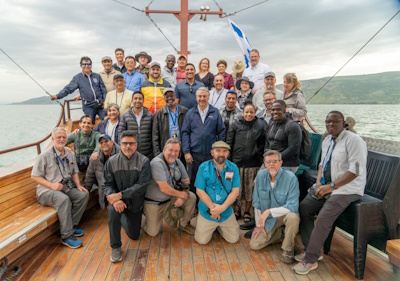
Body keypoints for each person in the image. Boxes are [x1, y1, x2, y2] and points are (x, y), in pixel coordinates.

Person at [292, 111, 367, 275]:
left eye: (335, 121)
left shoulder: (354, 141)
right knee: (304, 208)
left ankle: (310, 260)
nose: (331, 124)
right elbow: (321, 164)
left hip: (347, 189)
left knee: (323, 219)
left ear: (343, 123)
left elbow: (355, 171)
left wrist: (331, 187)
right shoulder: (327, 140)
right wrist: (318, 182)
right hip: (326, 186)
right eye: (328, 122)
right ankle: (314, 251)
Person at [31, 127, 89, 249]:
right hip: (46, 191)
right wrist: (51, 185)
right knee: (64, 200)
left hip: (64, 188)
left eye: (64, 137)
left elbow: (74, 173)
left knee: (83, 195)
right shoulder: (44, 156)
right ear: (53, 139)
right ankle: (67, 236)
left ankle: (71, 226)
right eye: (59, 137)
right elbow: (34, 176)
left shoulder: (70, 153)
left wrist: (78, 186)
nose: (62, 139)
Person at [102, 130, 151, 263]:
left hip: (135, 202)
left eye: (131, 143)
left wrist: (120, 195)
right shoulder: (111, 162)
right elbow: (106, 184)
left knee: (134, 235)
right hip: (116, 201)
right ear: (120, 144)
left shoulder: (144, 161)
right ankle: (116, 247)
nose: (127, 146)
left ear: (136, 144)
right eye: (124, 143)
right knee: (112, 213)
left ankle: (123, 216)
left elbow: (142, 185)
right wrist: (115, 198)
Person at [250, 150, 300, 264]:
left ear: (281, 162)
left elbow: (293, 205)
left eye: (275, 161)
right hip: (268, 219)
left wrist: (269, 211)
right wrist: (259, 225)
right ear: (264, 163)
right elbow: (257, 203)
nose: (271, 164)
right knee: (254, 245)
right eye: (268, 162)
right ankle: (279, 234)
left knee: (293, 217)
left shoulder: (291, 178)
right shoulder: (260, 176)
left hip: (285, 214)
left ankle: (288, 249)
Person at [143, 138, 196, 236]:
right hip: (155, 202)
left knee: (191, 197)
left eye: (176, 151)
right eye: (170, 150)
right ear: (164, 150)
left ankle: (183, 224)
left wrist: (184, 194)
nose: (173, 153)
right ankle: (142, 218)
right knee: (153, 233)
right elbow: (164, 188)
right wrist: (181, 194)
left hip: (170, 198)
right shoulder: (157, 163)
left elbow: (186, 181)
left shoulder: (177, 162)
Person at [194, 141, 240, 245]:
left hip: (225, 211)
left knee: (233, 239)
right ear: (212, 152)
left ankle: (217, 227)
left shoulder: (233, 168)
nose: (221, 154)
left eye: (224, 151)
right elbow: (199, 191)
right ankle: (206, 223)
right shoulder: (203, 167)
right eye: (218, 151)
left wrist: (222, 208)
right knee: (202, 241)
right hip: (208, 211)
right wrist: (213, 209)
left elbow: (235, 191)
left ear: (228, 153)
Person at [181, 87, 226, 194]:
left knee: (211, 179)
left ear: (208, 97)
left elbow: (221, 132)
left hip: (210, 154)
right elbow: (185, 133)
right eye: (200, 96)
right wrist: (186, 152)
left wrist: (219, 152)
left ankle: (209, 205)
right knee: (194, 180)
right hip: (194, 155)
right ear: (196, 98)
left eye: (204, 96)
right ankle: (195, 205)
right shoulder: (190, 113)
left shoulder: (215, 112)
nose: (202, 99)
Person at [226, 100, 265, 222]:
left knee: (249, 190)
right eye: (247, 112)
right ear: (243, 113)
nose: (249, 114)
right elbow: (229, 143)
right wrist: (229, 161)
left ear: (255, 113)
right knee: (236, 189)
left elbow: (262, 145)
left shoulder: (259, 126)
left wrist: (258, 156)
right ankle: (237, 210)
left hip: (252, 164)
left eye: (251, 112)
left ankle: (247, 211)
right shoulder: (235, 125)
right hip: (236, 163)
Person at [50, 56, 107, 123]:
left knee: (106, 120)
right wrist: (57, 96)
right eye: (84, 64)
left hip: (100, 105)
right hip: (88, 106)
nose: (86, 66)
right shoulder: (77, 78)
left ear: (91, 65)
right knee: (89, 124)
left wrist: (105, 101)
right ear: (81, 65)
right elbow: (68, 89)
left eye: (88, 64)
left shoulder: (97, 76)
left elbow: (103, 89)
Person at [264, 101, 302, 174]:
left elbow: (293, 148)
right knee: (258, 181)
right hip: (272, 161)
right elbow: (267, 141)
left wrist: (275, 159)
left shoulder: (292, 126)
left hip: (287, 163)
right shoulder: (272, 123)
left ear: (284, 111)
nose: (275, 112)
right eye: (273, 110)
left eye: (278, 110)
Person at [84, 134, 120, 209]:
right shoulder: (95, 158)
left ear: (112, 142)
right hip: (104, 194)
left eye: (106, 141)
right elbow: (89, 176)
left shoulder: (121, 156)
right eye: (101, 143)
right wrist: (86, 191)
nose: (104, 144)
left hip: (119, 194)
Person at [152, 88, 188, 157]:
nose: (169, 98)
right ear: (164, 98)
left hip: (182, 149)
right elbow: (155, 136)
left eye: (171, 96)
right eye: (167, 96)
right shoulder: (159, 114)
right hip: (167, 149)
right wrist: (157, 154)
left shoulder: (184, 111)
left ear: (175, 96)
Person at [118, 91, 154, 160]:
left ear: (143, 101)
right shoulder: (125, 116)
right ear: (132, 100)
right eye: (135, 98)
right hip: (131, 153)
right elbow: (120, 134)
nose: (137, 101)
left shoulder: (150, 115)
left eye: (140, 99)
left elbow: (154, 134)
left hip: (147, 153)